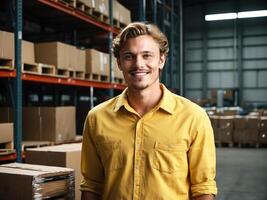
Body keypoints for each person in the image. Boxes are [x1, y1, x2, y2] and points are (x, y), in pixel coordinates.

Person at [80, 21, 217, 200]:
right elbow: (92, 185)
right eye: (129, 56)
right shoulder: (96, 118)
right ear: (119, 63)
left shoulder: (193, 117)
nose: (139, 64)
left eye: (147, 55)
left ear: (161, 60)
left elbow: (203, 189)